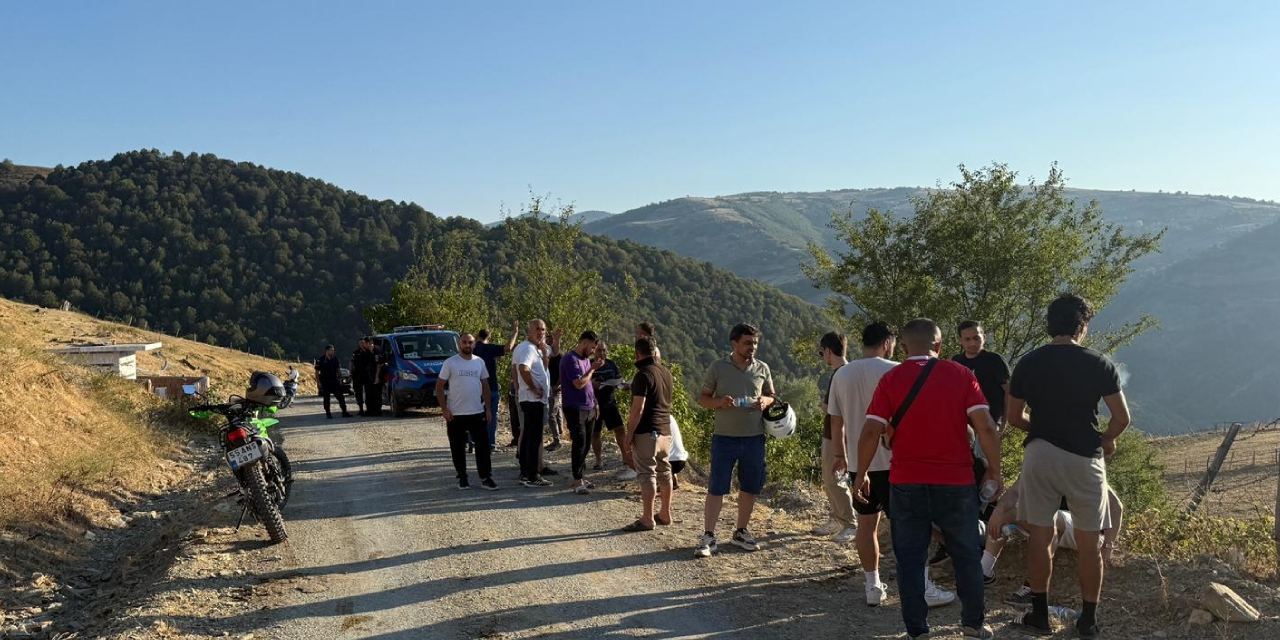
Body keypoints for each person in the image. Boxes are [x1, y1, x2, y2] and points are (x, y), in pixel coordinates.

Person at [853, 318, 1001, 639]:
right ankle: (973, 624)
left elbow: (869, 432)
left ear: (904, 347)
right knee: (966, 554)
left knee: (909, 558)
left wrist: (860, 473)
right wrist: (995, 470)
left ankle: (918, 631)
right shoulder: (962, 375)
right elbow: (986, 427)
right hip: (957, 482)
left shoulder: (891, 379)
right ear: (940, 346)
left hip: (906, 481)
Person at [1007, 293, 1130, 639]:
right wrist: (1105, 438)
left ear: (1050, 324)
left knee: (1040, 536)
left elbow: (1015, 417)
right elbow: (1122, 418)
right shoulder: (1099, 363)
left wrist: (1044, 429)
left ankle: (1040, 615)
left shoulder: (1029, 363)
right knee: (1090, 543)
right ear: (1083, 325)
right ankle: (1088, 621)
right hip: (1085, 457)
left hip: (1041, 454)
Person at [831, 321, 918, 606]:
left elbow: (836, 420)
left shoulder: (842, 374)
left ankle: (872, 585)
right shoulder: (896, 370)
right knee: (905, 527)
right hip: (896, 462)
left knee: (866, 526)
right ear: (888, 343)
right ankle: (917, 584)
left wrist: (840, 456)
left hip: (860, 465)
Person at [694, 323, 775, 557]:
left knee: (749, 487)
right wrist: (719, 402)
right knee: (717, 487)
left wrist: (765, 402)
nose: (752, 347)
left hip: (754, 438)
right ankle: (708, 535)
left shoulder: (762, 368)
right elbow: (703, 399)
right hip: (725, 438)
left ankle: (741, 531)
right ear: (734, 344)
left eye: (755, 343)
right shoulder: (718, 367)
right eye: (747, 343)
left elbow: (771, 395)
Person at [982, 479, 1124, 597]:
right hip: (1050, 522)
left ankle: (1033, 588)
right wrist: (999, 511)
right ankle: (984, 571)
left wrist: (1108, 545)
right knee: (1005, 511)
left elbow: (1116, 506)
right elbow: (1013, 492)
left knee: (1051, 517)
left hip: (1088, 531)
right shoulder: (1041, 462)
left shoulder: (1082, 466)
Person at [620, 335, 675, 531]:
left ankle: (647, 518)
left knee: (647, 474)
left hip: (646, 432)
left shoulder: (643, 375)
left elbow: (638, 409)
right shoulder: (666, 373)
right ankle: (665, 513)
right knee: (665, 471)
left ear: (637, 353)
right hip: (665, 431)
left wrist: (629, 435)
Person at [434, 333, 497, 490]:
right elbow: (439, 386)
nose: (467, 345)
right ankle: (462, 476)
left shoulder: (479, 362)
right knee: (457, 447)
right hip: (456, 414)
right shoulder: (450, 363)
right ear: (459, 344)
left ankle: (486, 477)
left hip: (477, 412)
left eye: (470, 342)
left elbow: (486, 386)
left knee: (483, 446)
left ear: (474, 344)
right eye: (464, 342)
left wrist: (488, 409)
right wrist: (444, 409)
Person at [813, 331, 856, 544]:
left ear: (829, 351)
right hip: (832, 433)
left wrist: (823, 406)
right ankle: (837, 519)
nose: (822, 357)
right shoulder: (845, 372)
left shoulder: (841, 374)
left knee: (835, 479)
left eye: (822, 352)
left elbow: (838, 409)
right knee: (829, 479)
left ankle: (849, 524)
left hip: (838, 435)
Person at [560, 330, 601, 494]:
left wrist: (595, 404)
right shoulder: (570, 359)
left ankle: (581, 476)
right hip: (575, 407)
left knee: (586, 444)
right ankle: (577, 480)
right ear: (584, 343)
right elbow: (579, 383)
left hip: (589, 406)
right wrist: (592, 369)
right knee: (579, 442)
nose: (593, 351)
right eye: (592, 347)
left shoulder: (585, 360)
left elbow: (589, 386)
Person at [513, 320, 553, 487]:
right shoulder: (527, 348)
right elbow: (523, 368)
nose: (541, 332)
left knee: (530, 436)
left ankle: (525, 473)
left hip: (532, 399)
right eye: (537, 329)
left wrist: (544, 353)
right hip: (532, 399)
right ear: (528, 331)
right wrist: (534, 388)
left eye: (543, 329)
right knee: (533, 438)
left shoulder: (533, 348)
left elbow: (542, 369)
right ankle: (532, 475)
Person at [952, 320, 1011, 426]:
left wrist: (1004, 422)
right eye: (967, 339)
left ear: (983, 337)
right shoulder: (956, 362)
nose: (972, 343)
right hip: (962, 424)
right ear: (960, 340)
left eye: (976, 338)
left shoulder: (994, 360)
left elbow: (1008, 391)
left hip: (990, 422)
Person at [475, 321, 520, 451]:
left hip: (475, 388)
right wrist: (515, 332)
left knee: (476, 415)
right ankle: (490, 444)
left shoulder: (472, 348)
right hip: (491, 386)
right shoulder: (489, 349)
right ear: (489, 337)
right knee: (491, 416)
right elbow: (508, 348)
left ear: (478, 336)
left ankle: (474, 442)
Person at [590, 341, 630, 472]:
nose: (601, 353)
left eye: (604, 350)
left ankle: (625, 457)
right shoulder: (589, 364)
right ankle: (598, 460)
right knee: (595, 432)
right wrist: (592, 384)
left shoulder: (611, 364)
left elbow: (619, 380)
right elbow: (582, 381)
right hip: (594, 403)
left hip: (610, 402)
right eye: (599, 350)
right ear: (594, 350)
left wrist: (624, 386)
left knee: (620, 429)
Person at [314, 344, 351, 419]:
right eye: (331, 350)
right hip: (325, 382)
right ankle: (328, 413)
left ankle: (344, 412)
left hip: (334, 381)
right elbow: (317, 372)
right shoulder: (320, 360)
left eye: (333, 350)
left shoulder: (335, 359)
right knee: (326, 399)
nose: (333, 351)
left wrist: (340, 379)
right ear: (327, 351)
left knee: (341, 397)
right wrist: (318, 383)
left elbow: (338, 370)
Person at [546, 329, 566, 452]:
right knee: (557, 412)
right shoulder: (548, 355)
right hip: (552, 387)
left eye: (550, 341)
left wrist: (556, 385)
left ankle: (557, 440)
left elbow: (561, 373)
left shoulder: (559, 356)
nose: (548, 343)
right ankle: (560, 436)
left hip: (555, 388)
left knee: (551, 414)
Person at [350, 338, 379, 416]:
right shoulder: (356, 353)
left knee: (368, 393)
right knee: (358, 393)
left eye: (363, 343)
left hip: (366, 375)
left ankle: (369, 409)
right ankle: (361, 409)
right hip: (357, 375)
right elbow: (352, 363)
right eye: (360, 343)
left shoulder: (369, 352)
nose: (362, 344)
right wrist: (351, 373)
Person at [669, 416, 688, 490]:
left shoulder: (656, 417)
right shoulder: (670, 417)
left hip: (670, 462)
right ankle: (673, 479)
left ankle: (663, 483)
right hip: (681, 459)